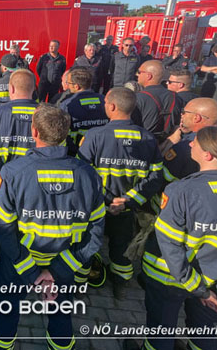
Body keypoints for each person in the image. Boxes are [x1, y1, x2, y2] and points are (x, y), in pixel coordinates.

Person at [141, 126, 217, 350]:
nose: (190, 144)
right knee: (203, 333)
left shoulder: (182, 191)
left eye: (195, 143)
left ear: (208, 155)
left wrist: (197, 288)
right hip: (216, 284)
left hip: (169, 279)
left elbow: (169, 245)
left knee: (161, 330)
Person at [0, 104, 104, 350]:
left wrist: (34, 274)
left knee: (7, 311)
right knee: (62, 316)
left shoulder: (12, 173)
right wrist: (58, 271)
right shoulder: (90, 176)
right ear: (66, 133)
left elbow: (4, 230)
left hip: (20, 261)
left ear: (34, 132)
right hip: (65, 261)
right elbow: (95, 236)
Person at [78, 87, 163, 297]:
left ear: (112, 106)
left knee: (88, 242)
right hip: (126, 208)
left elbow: (82, 172)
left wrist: (106, 200)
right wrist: (127, 201)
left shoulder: (95, 136)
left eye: (106, 103)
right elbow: (155, 178)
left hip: (96, 206)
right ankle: (120, 282)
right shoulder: (149, 139)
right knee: (121, 245)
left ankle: (79, 283)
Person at [0, 69, 37, 277]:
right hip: (34, 187)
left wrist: (3, 175)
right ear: (34, 89)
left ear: (11, 89)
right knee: (29, 224)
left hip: (2, 183)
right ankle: (26, 264)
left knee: (0, 226)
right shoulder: (45, 113)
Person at [162, 97, 217, 187]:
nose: (182, 115)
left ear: (196, 118)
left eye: (184, 112)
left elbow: (162, 178)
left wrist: (170, 142)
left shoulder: (184, 147)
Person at [59, 67, 108, 154]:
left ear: (76, 86)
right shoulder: (105, 100)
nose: (68, 86)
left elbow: (61, 131)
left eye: (69, 83)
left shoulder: (67, 104)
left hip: (77, 152)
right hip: (102, 150)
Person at [133, 60, 184, 141]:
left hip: (144, 142)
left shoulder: (139, 98)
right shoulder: (176, 97)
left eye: (139, 72)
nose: (136, 74)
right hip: (167, 144)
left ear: (148, 76)